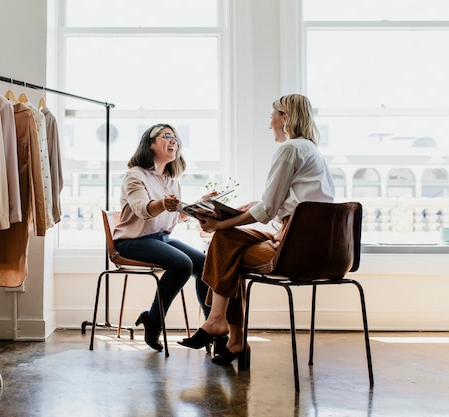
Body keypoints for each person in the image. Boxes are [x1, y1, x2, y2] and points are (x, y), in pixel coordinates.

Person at [178, 94, 335, 366]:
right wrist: (252, 207)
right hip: (311, 243)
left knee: (226, 246)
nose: (269, 123)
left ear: (285, 118)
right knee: (228, 242)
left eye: (272, 115)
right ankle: (233, 339)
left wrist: (220, 222)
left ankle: (218, 322)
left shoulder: (289, 149)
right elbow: (282, 205)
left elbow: (268, 209)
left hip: (294, 248)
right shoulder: (310, 150)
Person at [113, 123, 212, 352]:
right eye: (167, 136)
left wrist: (200, 205)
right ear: (150, 143)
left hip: (159, 239)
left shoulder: (171, 179)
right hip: (132, 241)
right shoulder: (135, 175)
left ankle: (211, 329)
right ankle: (153, 319)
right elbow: (141, 209)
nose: (174, 140)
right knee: (182, 264)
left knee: (205, 265)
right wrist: (163, 204)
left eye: (175, 137)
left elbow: (175, 217)